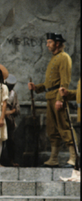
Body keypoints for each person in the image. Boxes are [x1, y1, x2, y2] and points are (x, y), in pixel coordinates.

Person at [28, 33, 75, 168]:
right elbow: (50, 83)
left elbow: (64, 80)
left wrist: (60, 99)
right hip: (50, 97)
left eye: (50, 42)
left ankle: (73, 157)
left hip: (57, 98)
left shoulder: (64, 58)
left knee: (64, 127)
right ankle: (54, 158)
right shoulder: (54, 58)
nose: (47, 45)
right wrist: (36, 87)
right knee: (52, 129)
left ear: (57, 43)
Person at [5, 74, 20, 167]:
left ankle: (11, 160)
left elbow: (17, 108)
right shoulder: (1, 91)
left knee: (10, 140)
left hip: (9, 119)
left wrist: (9, 112)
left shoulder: (13, 94)